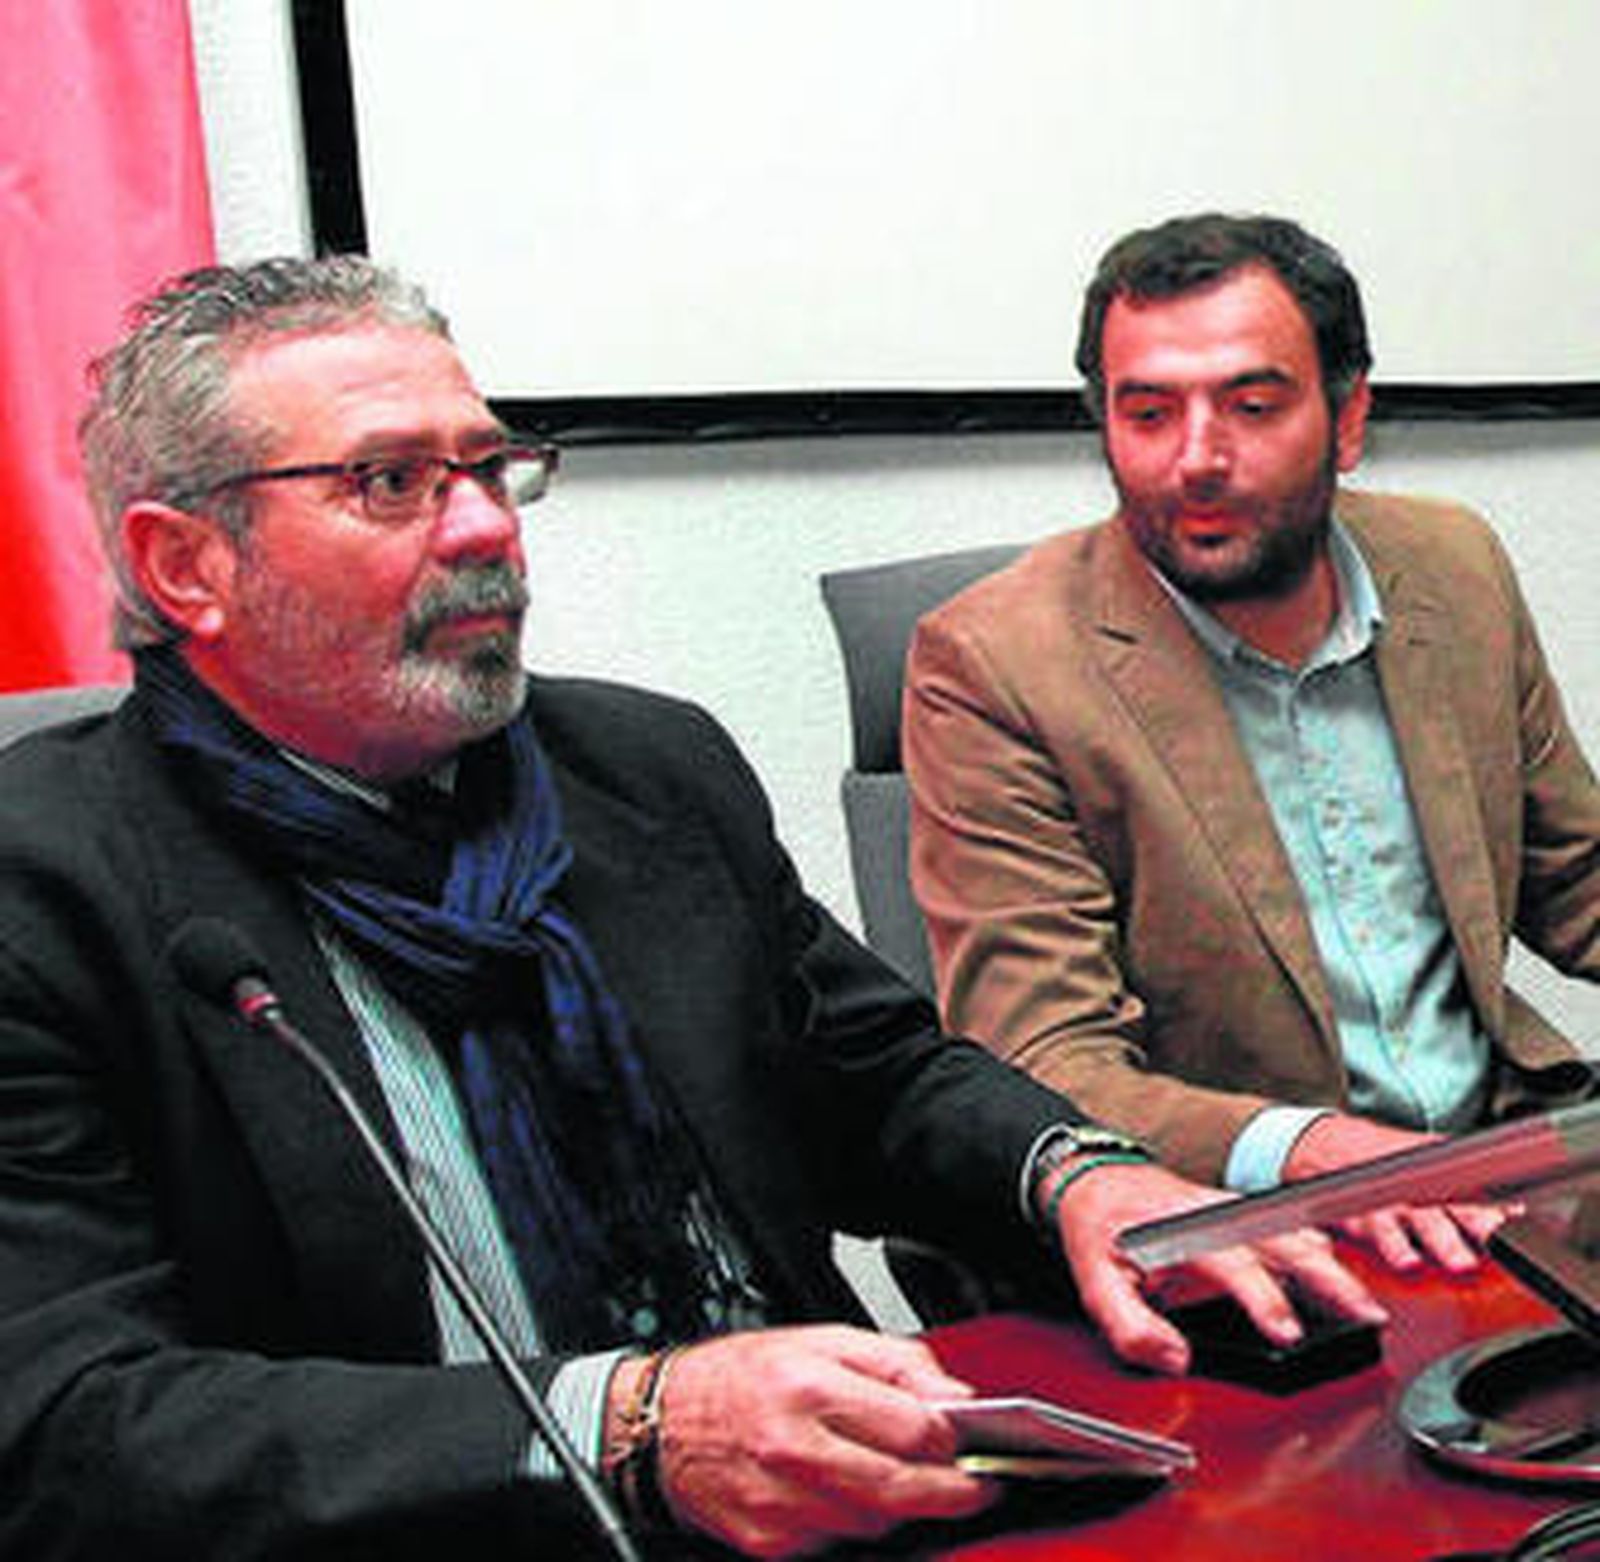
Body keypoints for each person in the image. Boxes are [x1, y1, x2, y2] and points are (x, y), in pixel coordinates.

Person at [0, 256, 1381, 1562]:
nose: (484, 525)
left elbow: (878, 1080)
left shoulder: (641, 772)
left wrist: (1079, 1170)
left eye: (490, 468)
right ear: (188, 565)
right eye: (389, 482)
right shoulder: (50, 889)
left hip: (833, 1506)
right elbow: (71, 1426)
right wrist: (635, 1419)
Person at [904, 212, 1600, 1277]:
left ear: (1347, 415)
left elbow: (1577, 878)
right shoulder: (993, 663)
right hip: (1249, 1229)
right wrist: (1315, 1151)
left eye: (1251, 405)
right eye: (1147, 413)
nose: (1196, 459)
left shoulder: (1451, 566)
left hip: (1507, 1172)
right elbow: (1040, 1057)